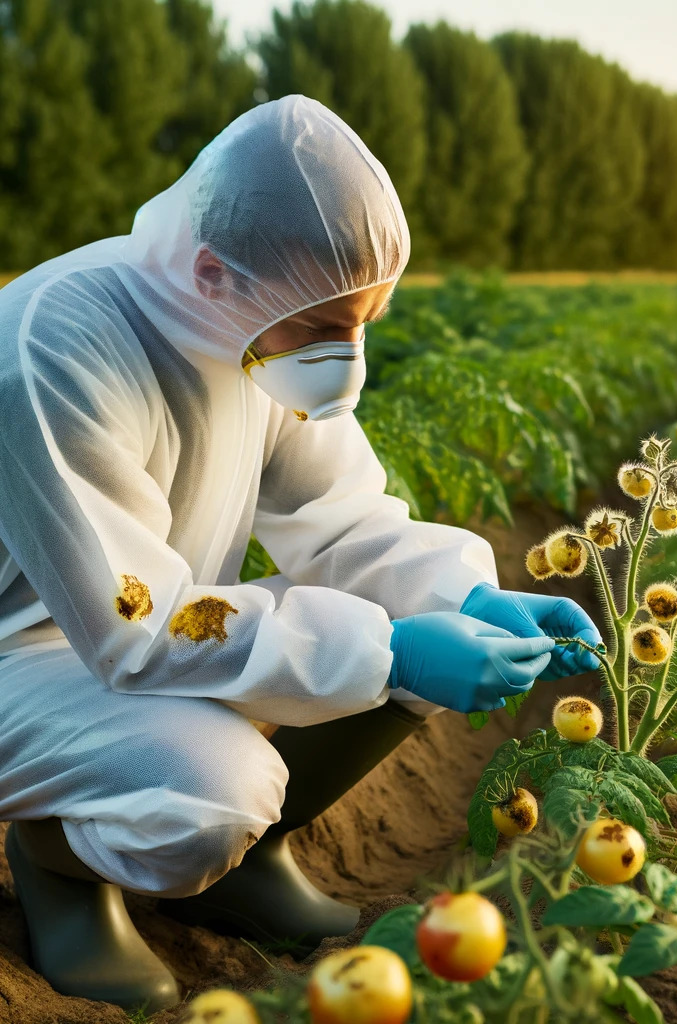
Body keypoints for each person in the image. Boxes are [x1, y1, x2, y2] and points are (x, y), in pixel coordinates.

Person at [0, 94, 602, 1012]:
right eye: (326, 328)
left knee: (411, 631)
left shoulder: (249, 326)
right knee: (213, 787)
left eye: (365, 321)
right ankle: (61, 865)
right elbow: (140, 620)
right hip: (28, 652)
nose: (347, 354)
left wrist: (468, 600)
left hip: (151, 626)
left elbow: (344, 519)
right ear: (212, 272)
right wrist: (387, 647)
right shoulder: (56, 349)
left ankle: (248, 865)